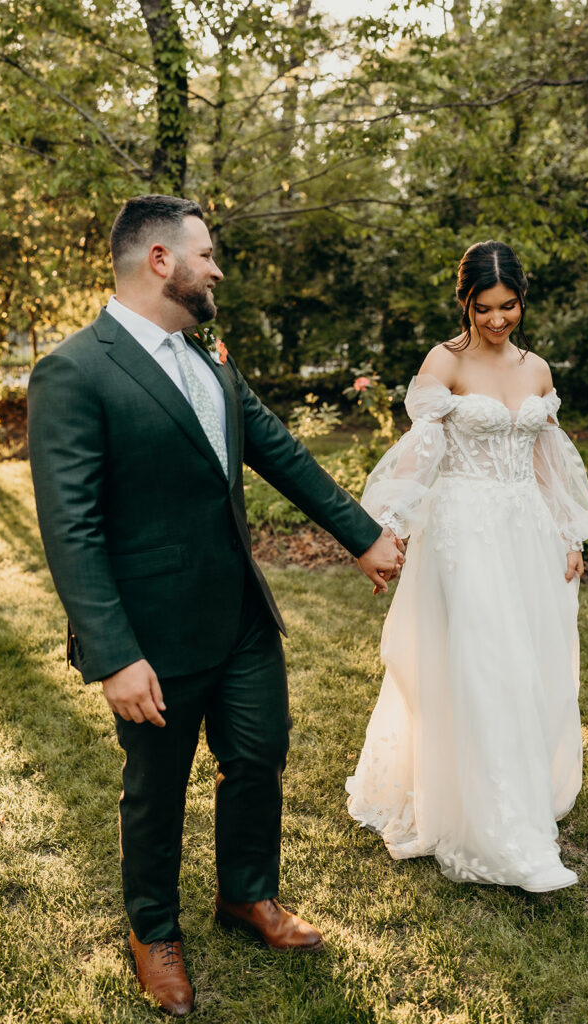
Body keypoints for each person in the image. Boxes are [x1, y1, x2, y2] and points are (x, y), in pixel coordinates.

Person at [28, 194, 404, 1016]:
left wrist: (362, 534)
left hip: (239, 617)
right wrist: (114, 653)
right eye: (206, 254)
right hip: (150, 640)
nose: (216, 269)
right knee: (155, 792)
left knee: (259, 757)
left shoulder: (207, 356)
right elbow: (71, 527)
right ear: (160, 260)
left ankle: (246, 896)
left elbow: (274, 446)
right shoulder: (74, 370)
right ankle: (153, 932)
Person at [346, 240, 588, 893]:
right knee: (483, 664)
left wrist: (570, 534)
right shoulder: (443, 362)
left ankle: (516, 793)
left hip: (526, 537)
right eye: (483, 308)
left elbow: (549, 463)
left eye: (506, 306)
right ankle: (503, 835)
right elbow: (417, 456)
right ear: (465, 303)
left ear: (521, 300)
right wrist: (389, 530)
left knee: (526, 665)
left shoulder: (537, 370)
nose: (495, 320)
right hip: (462, 531)